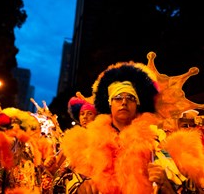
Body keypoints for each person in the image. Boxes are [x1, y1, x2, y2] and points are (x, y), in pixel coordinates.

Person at [60, 58, 204, 193]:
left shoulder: (157, 142)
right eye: (118, 98)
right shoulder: (86, 141)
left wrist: (167, 187)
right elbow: (57, 181)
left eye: (130, 98)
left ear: (138, 104)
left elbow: (192, 189)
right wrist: (77, 185)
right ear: (109, 104)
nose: (124, 102)